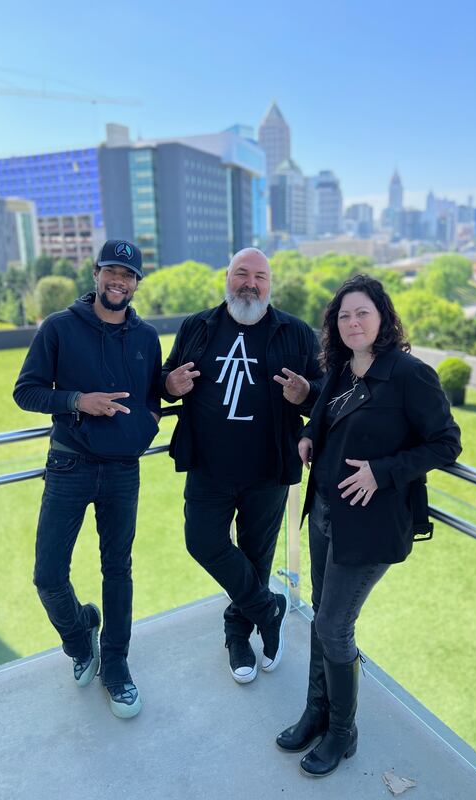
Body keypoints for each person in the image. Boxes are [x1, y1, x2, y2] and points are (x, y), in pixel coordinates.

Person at [275, 273, 462, 777]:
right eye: (344, 315)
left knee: (335, 626)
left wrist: (384, 472)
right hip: (327, 515)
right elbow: (325, 410)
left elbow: (446, 443)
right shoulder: (340, 369)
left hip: (373, 525)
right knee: (321, 617)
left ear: (382, 317)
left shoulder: (408, 374)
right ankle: (317, 711)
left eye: (363, 312)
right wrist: (311, 434)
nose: (353, 322)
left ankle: (343, 731)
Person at [161, 248, 323, 684]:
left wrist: (306, 393)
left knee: (255, 559)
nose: (250, 283)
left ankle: (238, 636)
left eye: (260, 276)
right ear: (227, 278)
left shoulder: (296, 332)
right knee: (202, 541)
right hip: (208, 466)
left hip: (267, 469)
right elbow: (166, 377)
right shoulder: (198, 326)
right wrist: (169, 384)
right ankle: (269, 609)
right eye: (241, 274)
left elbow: (326, 393)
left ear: (271, 285)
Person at [13, 239, 161, 719]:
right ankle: (81, 639)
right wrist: (78, 401)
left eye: (129, 275)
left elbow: (152, 395)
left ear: (136, 283)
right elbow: (27, 392)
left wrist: (151, 420)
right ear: (96, 274)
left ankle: (116, 665)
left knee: (117, 570)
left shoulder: (146, 338)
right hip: (69, 466)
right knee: (49, 574)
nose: (119, 281)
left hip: (123, 470)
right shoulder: (59, 328)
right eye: (111, 271)